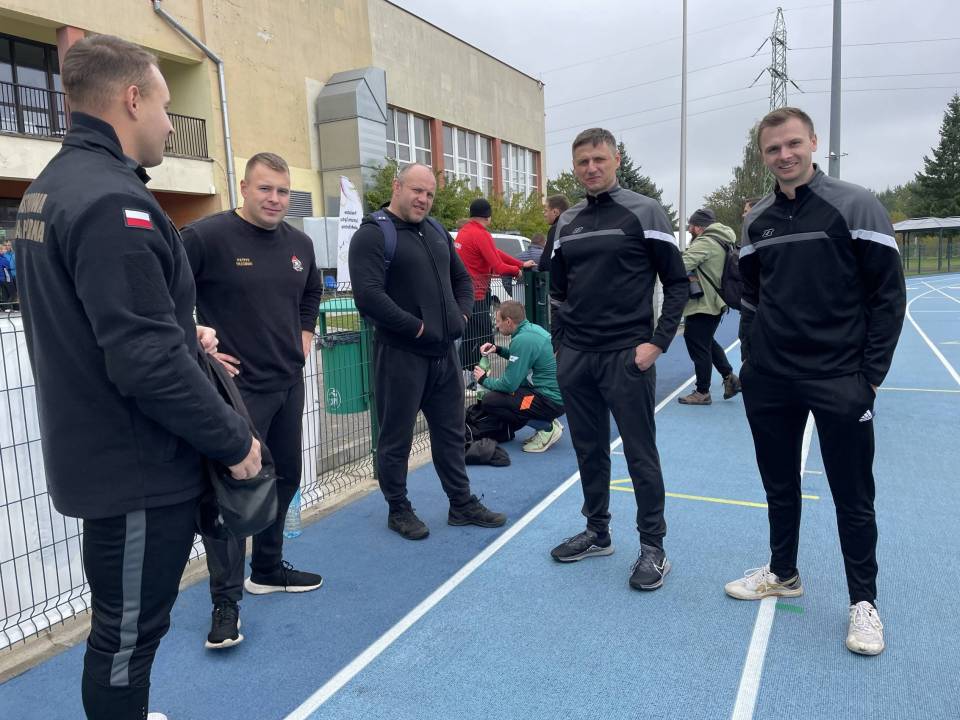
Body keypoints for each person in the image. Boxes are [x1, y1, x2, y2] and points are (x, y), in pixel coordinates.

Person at [12, 35, 261, 720]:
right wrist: (233, 440)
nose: (168, 123)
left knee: (126, 631)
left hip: (108, 454)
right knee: (127, 640)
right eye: (164, 105)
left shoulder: (52, 187)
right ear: (131, 99)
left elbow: (103, 323)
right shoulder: (110, 202)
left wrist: (181, 331)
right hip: (137, 466)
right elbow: (144, 361)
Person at [725, 107, 906, 657]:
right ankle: (783, 572)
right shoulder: (756, 220)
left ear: (813, 143)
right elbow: (751, 298)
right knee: (779, 484)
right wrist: (753, 361)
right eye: (773, 148)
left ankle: (864, 602)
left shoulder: (856, 205)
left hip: (839, 378)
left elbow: (888, 297)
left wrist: (869, 378)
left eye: (793, 144)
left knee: (853, 495)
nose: (784, 155)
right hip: (771, 379)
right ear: (764, 156)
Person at [180, 152, 325, 651]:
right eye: (265, 189)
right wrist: (198, 344)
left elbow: (312, 292)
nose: (275, 199)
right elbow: (162, 296)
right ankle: (226, 604)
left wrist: (304, 335)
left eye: (283, 191)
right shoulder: (206, 237)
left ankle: (267, 568)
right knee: (234, 493)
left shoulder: (299, 244)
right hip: (237, 391)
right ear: (243, 188)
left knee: (285, 478)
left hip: (288, 384)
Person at [548, 128, 687, 591]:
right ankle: (597, 532)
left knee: (640, 453)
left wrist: (657, 343)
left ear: (616, 159)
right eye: (582, 162)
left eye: (599, 159)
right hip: (578, 357)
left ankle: (653, 546)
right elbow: (557, 291)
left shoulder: (645, 211)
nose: (591, 168)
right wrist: (561, 347)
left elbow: (677, 283)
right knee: (588, 449)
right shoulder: (567, 221)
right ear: (574, 167)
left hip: (627, 355)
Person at [349, 163, 506, 540]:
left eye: (430, 194)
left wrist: (462, 314)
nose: (423, 199)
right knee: (396, 438)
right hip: (400, 355)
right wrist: (417, 327)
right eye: (416, 190)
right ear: (397, 186)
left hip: (444, 356)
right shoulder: (372, 234)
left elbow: (462, 279)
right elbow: (369, 297)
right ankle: (398, 508)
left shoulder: (435, 230)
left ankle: (461, 503)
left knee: (451, 432)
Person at [473, 300, 564, 453]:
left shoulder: (522, 340)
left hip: (550, 400)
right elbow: (522, 357)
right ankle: (546, 420)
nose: (496, 326)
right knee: (510, 394)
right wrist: (498, 349)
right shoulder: (531, 330)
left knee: (491, 401)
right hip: (556, 396)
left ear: (508, 321)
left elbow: (509, 385)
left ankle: (547, 428)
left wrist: (483, 379)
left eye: (498, 321)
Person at [454, 197, 533, 371]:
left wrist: (520, 263)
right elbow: (499, 266)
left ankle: (467, 375)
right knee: (482, 339)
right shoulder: (481, 234)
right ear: (488, 216)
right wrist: (517, 271)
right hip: (476, 294)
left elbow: (495, 253)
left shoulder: (465, 231)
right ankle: (473, 376)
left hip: (464, 293)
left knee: (471, 337)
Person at [677, 207, 741, 405]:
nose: (689, 229)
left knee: (697, 344)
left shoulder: (705, 242)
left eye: (691, 225)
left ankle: (702, 392)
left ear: (699, 227)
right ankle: (730, 378)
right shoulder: (723, 240)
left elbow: (681, 265)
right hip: (716, 301)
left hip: (703, 303)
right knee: (706, 341)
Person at [537, 194, 570, 350]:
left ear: (555, 212)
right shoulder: (573, 226)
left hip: (560, 296)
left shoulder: (556, 229)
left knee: (558, 340)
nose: (544, 214)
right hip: (576, 292)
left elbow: (545, 262)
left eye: (546, 210)